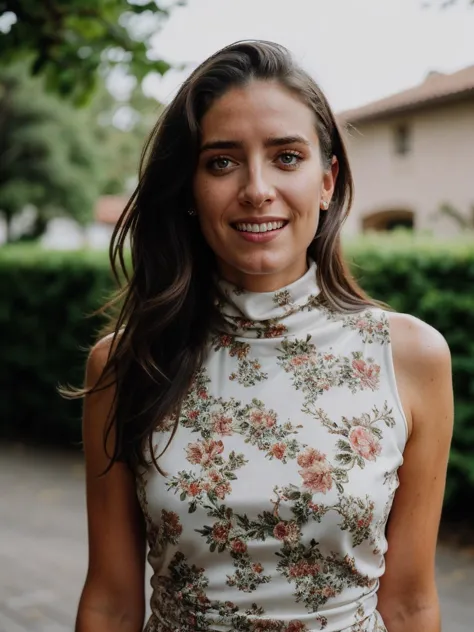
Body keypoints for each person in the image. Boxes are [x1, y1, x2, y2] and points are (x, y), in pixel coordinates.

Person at [73, 40, 454, 632]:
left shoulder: (410, 357)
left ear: (327, 182)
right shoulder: (126, 363)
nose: (256, 188)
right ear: (191, 192)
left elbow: (408, 603)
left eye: (286, 157)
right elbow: (110, 602)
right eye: (221, 161)